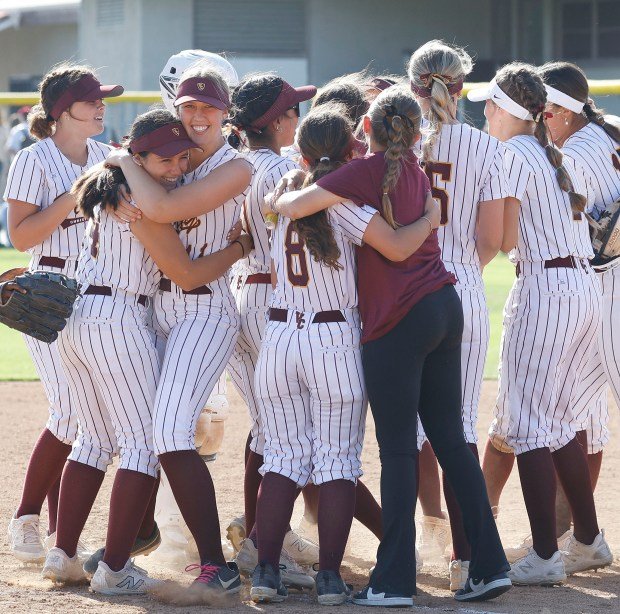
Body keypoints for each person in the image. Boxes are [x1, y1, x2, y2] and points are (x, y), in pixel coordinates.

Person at [269, 86, 510, 606]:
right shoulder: (416, 172)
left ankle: (395, 581)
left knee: (399, 450)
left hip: (399, 321)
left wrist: (276, 194)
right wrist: (426, 220)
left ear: (369, 131)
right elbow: (418, 230)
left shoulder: (365, 170)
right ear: (416, 132)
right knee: (451, 441)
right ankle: (488, 565)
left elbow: (295, 204)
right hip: (446, 305)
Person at [42, 108, 253, 593]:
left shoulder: (108, 180)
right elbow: (184, 271)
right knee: (142, 445)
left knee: (94, 439)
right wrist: (239, 248)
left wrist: (128, 162)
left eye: (182, 158)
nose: (177, 167)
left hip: (80, 317)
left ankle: (62, 554)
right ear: (138, 156)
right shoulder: (133, 194)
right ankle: (115, 569)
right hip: (117, 317)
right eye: (164, 159)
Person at [106, 62, 252, 598]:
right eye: (189, 105)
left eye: (208, 106)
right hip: (157, 309)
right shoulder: (173, 158)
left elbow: (164, 209)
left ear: (225, 111)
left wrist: (122, 158)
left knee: (169, 432)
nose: (198, 115)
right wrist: (124, 165)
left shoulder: (235, 167)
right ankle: (129, 544)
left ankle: (218, 563)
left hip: (205, 308)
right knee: (146, 433)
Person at [468, 62, 613, 585]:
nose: (484, 111)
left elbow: (504, 241)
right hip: (581, 289)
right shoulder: (551, 151)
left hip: (546, 291)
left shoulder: (509, 154)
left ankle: (547, 555)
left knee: (530, 425)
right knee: (559, 425)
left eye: (490, 103)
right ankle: (588, 539)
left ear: (508, 109)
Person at [4, 63, 122, 564]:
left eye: (101, 99)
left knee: (89, 416)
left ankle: (60, 533)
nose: (101, 106)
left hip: (100, 290)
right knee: (70, 412)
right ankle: (26, 517)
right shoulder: (34, 159)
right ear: (61, 110)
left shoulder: (107, 155)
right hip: (48, 289)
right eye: (92, 99)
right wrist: (71, 199)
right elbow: (21, 237)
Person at [408, 40, 507, 590]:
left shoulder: (397, 139)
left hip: (404, 286)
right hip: (461, 287)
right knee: (460, 424)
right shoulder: (486, 146)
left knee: (411, 426)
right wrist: (460, 269)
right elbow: (491, 239)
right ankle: (468, 558)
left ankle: (426, 533)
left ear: (413, 85)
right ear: (461, 86)